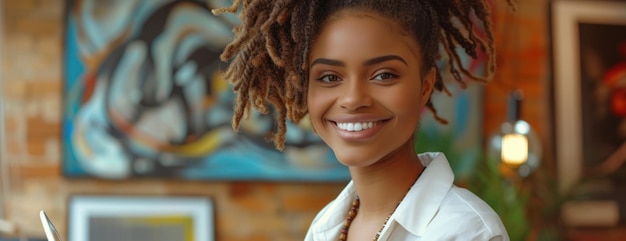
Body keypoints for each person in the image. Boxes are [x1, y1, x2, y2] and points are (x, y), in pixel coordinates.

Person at [213, 0, 514, 240]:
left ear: (424, 86)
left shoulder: (466, 231)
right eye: (329, 77)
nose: (353, 98)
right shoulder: (326, 227)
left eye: (384, 75)